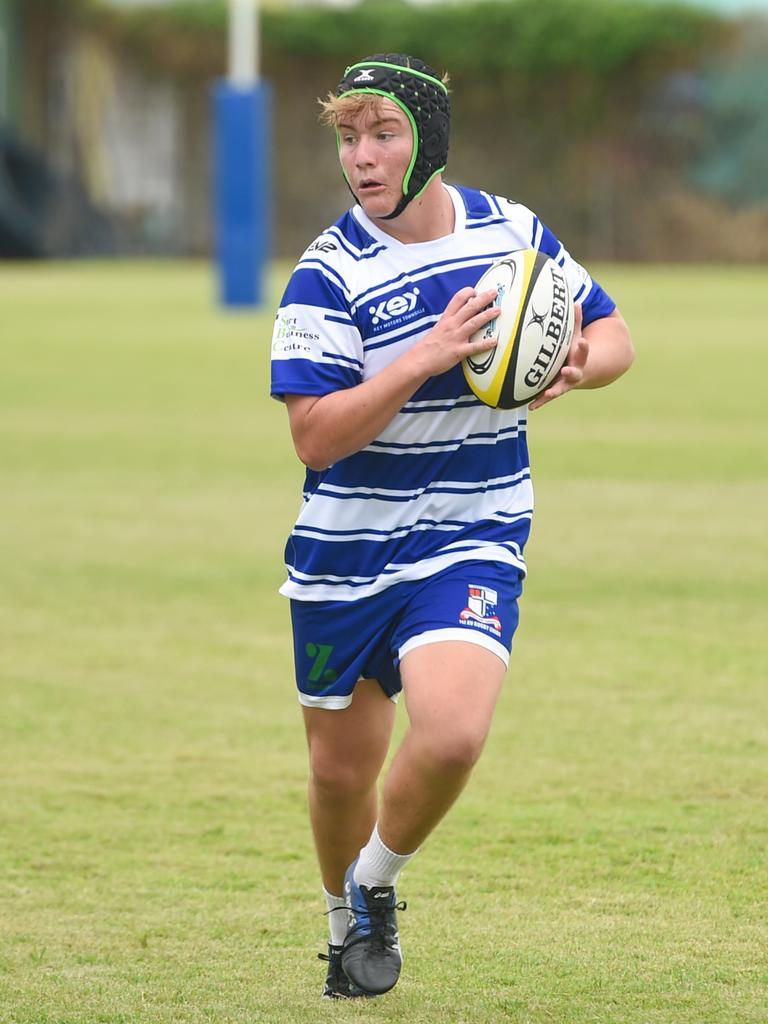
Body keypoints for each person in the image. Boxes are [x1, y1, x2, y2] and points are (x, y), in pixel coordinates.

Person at [270, 53, 634, 1000]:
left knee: (452, 736)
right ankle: (343, 921)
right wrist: (423, 357)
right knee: (340, 773)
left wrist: (574, 364)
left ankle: (375, 884)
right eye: (347, 138)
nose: (361, 157)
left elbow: (616, 335)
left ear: (427, 139)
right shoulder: (326, 274)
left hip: (473, 527)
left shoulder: (512, 234)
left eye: (382, 134)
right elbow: (315, 438)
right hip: (347, 553)